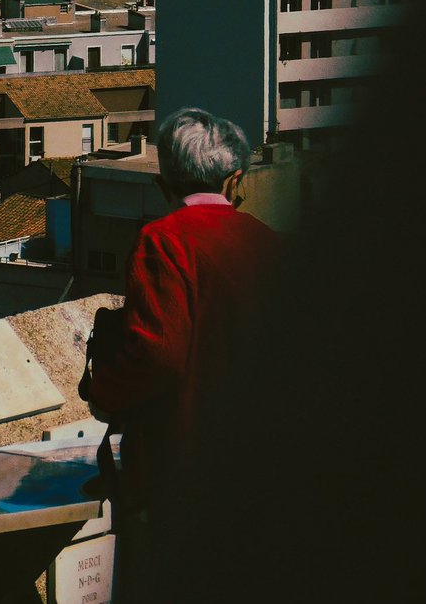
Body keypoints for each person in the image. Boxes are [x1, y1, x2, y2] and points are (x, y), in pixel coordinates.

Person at [86, 106, 278, 602]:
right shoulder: (269, 243)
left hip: (186, 463)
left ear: (164, 182)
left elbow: (160, 355)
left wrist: (103, 391)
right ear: (235, 181)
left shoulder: (163, 242)